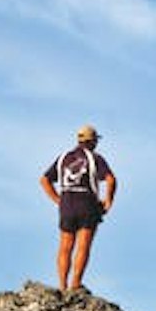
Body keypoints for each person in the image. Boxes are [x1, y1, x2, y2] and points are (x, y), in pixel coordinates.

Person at [40, 124, 118, 292]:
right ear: (93, 141)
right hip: (86, 201)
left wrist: (57, 199)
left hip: (67, 201)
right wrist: (108, 201)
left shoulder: (63, 157)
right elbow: (111, 179)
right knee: (83, 245)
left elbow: (44, 179)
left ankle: (62, 285)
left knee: (65, 246)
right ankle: (75, 284)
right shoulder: (95, 158)